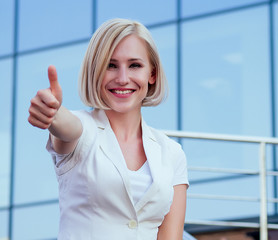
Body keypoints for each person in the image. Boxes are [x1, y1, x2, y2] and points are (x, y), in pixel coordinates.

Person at [28, 18, 189, 240]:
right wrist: (53, 113)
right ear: (96, 72)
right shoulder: (82, 129)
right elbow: (67, 127)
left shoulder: (172, 153)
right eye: (110, 66)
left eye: (135, 65)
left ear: (152, 74)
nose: (123, 79)